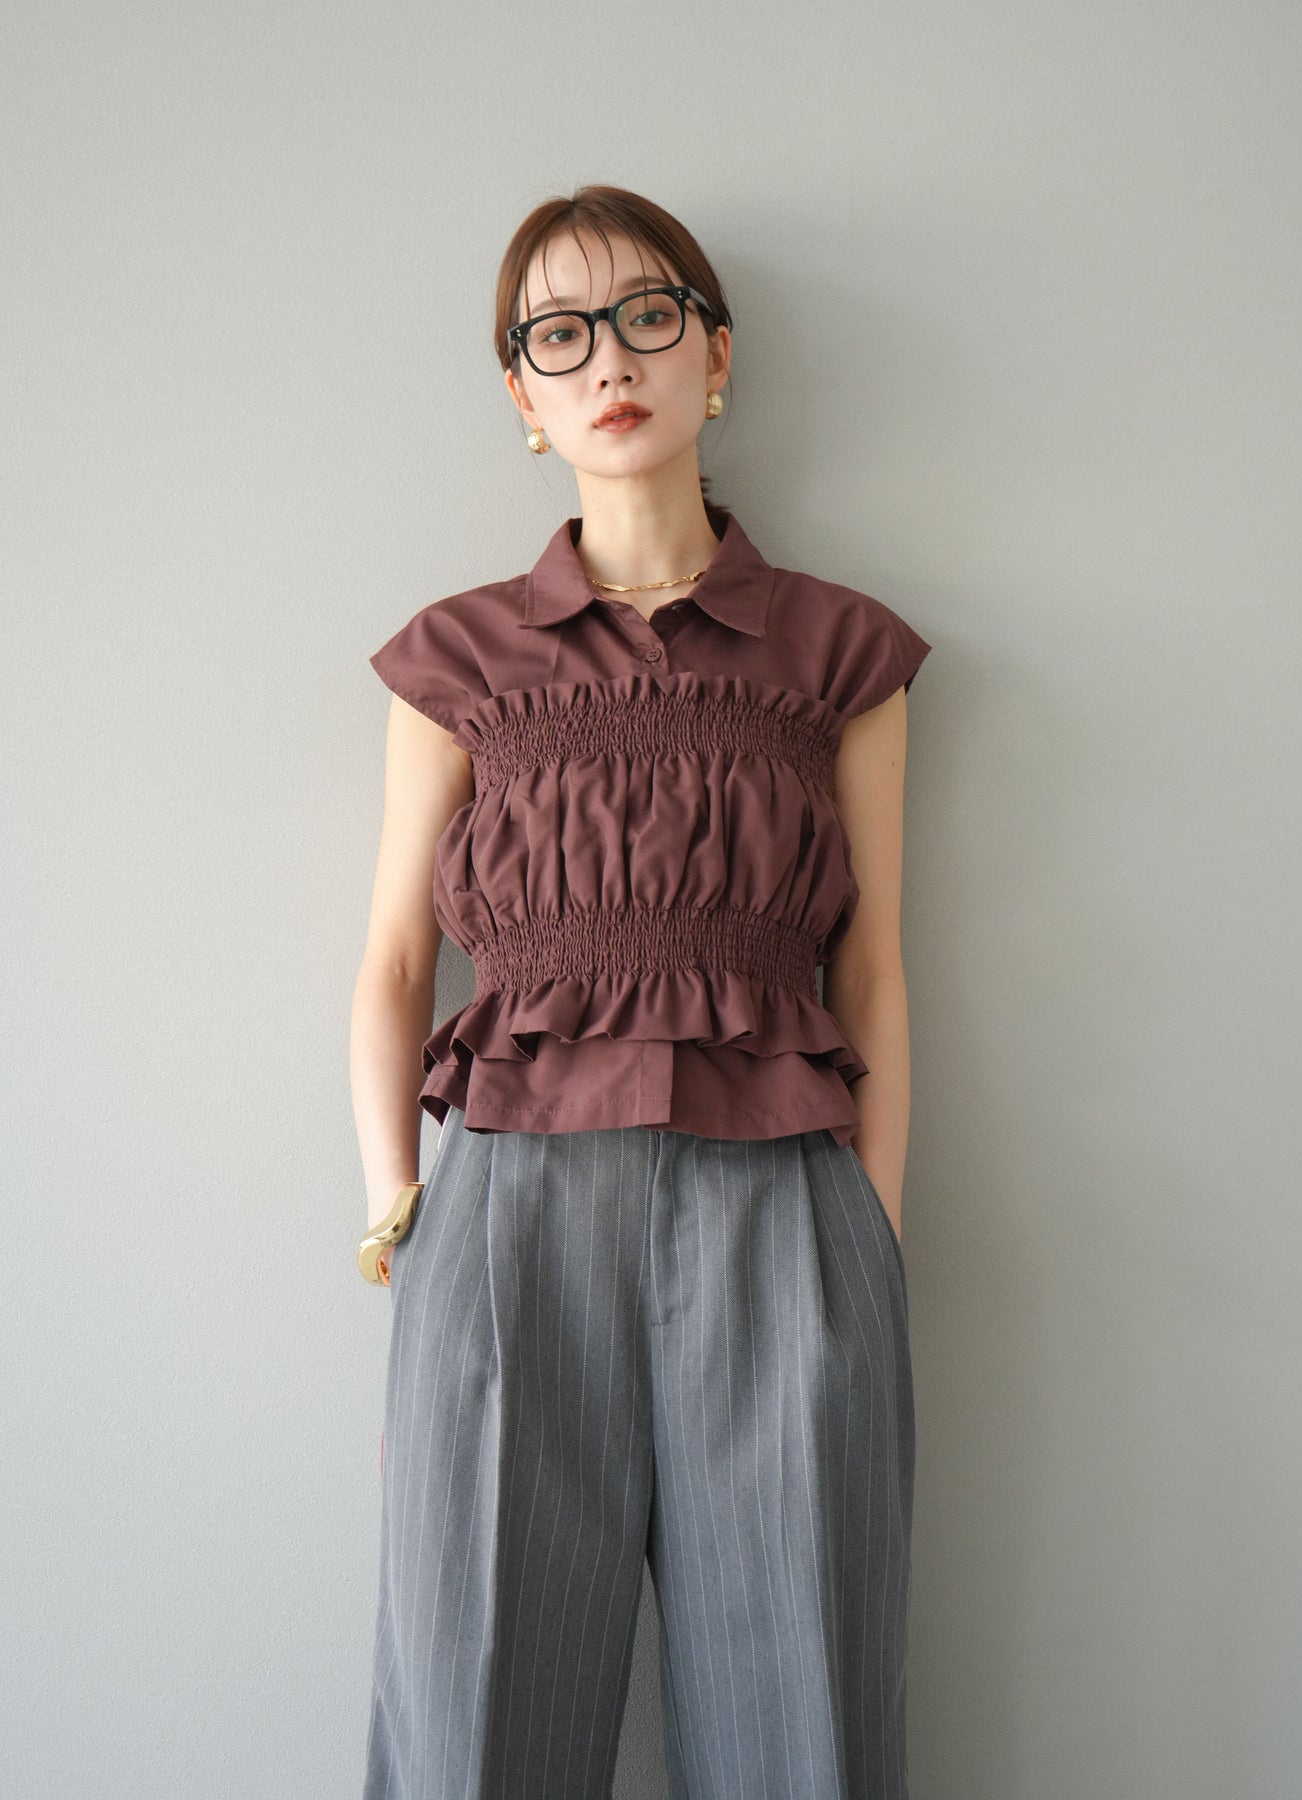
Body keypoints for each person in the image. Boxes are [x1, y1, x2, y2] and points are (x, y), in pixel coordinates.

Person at [350, 183, 931, 1799]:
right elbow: (395, 960)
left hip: (784, 1201)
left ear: (713, 356)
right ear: (523, 398)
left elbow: (874, 965)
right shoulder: (458, 661)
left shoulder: (839, 654)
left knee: (802, 1711)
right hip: (508, 1208)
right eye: (559, 335)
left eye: (646, 316)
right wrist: (396, 1207)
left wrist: (871, 1237)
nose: (608, 359)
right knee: (475, 1704)